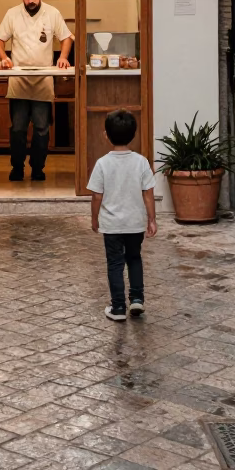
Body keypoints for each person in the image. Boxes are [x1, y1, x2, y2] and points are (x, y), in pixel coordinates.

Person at [0, 0, 73, 182]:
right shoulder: (12, 13)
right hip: (18, 81)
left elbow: (66, 38)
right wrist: (4, 58)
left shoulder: (52, 13)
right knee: (18, 128)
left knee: (41, 129)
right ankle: (17, 168)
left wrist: (63, 57)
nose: (31, 0)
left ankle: (38, 168)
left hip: (43, 81)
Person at [87, 108, 157, 321]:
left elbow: (97, 197)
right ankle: (137, 299)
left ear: (106, 135)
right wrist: (152, 219)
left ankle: (118, 308)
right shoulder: (141, 162)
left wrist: (94, 218)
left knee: (115, 263)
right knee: (134, 258)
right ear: (133, 135)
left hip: (112, 225)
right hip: (135, 223)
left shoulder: (102, 164)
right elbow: (148, 194)